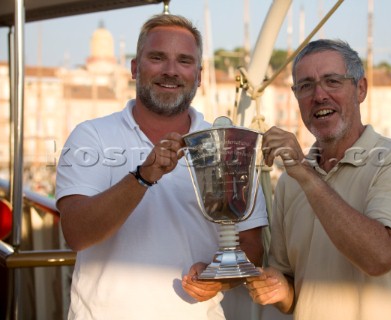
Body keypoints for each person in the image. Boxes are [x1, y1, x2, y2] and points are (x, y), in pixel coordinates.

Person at [55, 14, 268, 320]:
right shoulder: (91, 136)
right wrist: (143, 176)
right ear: (134, 68)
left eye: (184, 61)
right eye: (157, 58)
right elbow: (75, 233)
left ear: (199, 75)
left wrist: (218, 278)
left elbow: (251, 245)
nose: (170, 71)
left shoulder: (227, 145)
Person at [245, 39, 391, 320]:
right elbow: (292, 292)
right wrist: (279, 291)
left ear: (361, 89)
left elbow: (379, 257)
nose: (319, 95)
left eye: (332, 81)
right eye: (305, 86)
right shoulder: (289, 183)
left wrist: (304, 174)